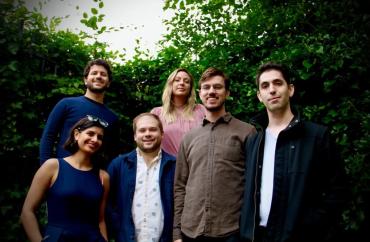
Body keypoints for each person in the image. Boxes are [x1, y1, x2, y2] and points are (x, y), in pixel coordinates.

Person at [239, 62, 347, 242]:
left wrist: (313, 226)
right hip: (257, 236)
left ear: (290, 89)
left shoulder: (317, 136)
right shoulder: (253, 141)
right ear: (259, 96)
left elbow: (338, 190)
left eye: (277, 83)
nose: (272, 90)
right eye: (265, 86)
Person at [173, 67, 256, 242]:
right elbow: (180, 186)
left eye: (217, 87)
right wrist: (176, 232)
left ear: (227, 93)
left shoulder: (247, 132)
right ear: (200, 93)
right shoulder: (188, 138)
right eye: (206, 87)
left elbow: (254, 184)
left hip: (231, 230)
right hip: (191, 231)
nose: (211, 91)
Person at [21, 115, 110, 242]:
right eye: (90, 133)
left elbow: (100, 220)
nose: (95, 139)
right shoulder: (53, 166)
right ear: (76, 134)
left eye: (99, 137)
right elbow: (27, 212)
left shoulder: (103, 177)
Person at [107, 113, 176, 242]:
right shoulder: (119, 165)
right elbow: (108, 204)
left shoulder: (175, 166)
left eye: (153, 129)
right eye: (142, 130)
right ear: (135, 136)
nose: (147, 134)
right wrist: (118, 230)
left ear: (162, 133)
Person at [39, 59, 120, 168]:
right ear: (85, 80)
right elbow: (48, 136)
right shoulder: (66, 104)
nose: (98, 76)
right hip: (62, 173)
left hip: (93, 178)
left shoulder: (112, 118)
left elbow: (112, 152)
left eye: (103, 74)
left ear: (109, 82)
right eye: (94, 73)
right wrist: (45, 168)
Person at [151, 68, 206, 156]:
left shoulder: (201, 110)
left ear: (190, 88)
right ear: (170, 84)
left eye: (186, 81)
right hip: (169, 167)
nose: (182, 83)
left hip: (198, 165)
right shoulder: (156, 113)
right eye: (177, 80)